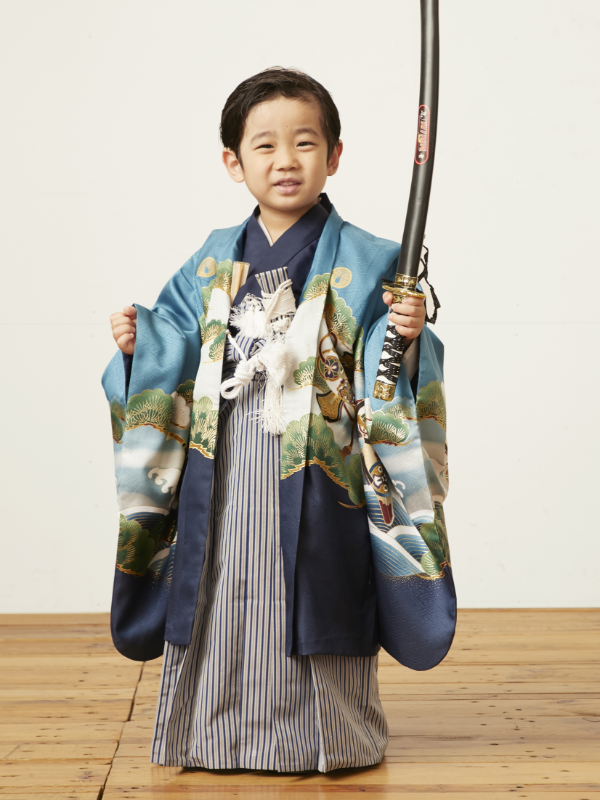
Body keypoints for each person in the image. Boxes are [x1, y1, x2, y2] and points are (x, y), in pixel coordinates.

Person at [103, 67, 455, 773]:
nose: (285, 160)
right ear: (234, 162)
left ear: (335, 155)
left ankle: (328, 740)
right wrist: (144, 341)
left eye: (304, 142)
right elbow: (174, 338)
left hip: (318, 464)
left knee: (316, 582)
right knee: (222, 578)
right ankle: (211, 734)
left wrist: (408, 332)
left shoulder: (372, 259)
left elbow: (391, 375)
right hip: (225, 456)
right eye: (264, 146)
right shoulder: (212, 258)